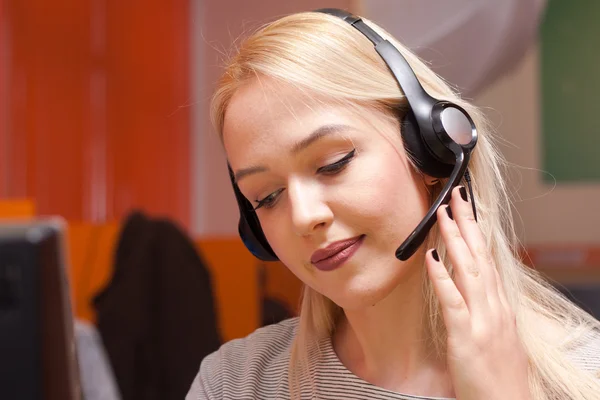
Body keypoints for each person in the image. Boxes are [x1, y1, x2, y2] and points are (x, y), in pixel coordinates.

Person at [187, 8, 600, 400]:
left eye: (333, 164)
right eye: (267, 197)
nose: (304, 217)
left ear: (432, 149)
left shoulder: (587, 372)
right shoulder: (233, 383)